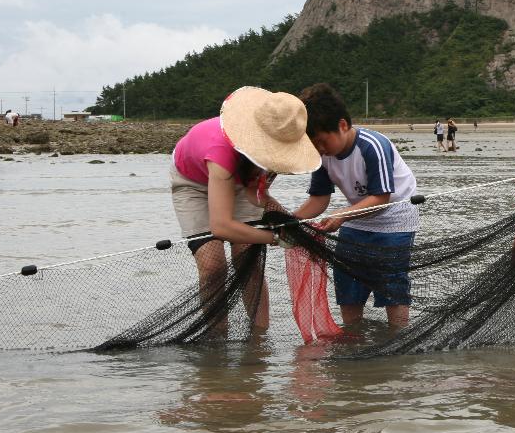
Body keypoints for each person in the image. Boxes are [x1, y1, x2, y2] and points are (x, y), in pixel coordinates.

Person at [169, 87, 321, 330]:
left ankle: (260, 338)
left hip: (237, 177)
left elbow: (256, 194)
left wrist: (288, 221)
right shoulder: (221, 152)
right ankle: (216, 338)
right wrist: (275, 238)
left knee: (248, 257)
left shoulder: (272, 154)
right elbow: (221, 227)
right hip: (193, 182)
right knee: (213, 266)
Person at [293, 83, 420, 329]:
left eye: (321, 141)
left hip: (395, 218)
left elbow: (381, 198)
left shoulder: (372, 146)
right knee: (347, 277)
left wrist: (341, 215)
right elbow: (319, 199)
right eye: (313, 145)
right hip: (357, 216)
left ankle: (398, 335)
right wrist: (291, 220)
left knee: (391, 282)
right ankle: (353, 336)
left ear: (342, 125)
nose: (319, 149)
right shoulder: (322, 157)